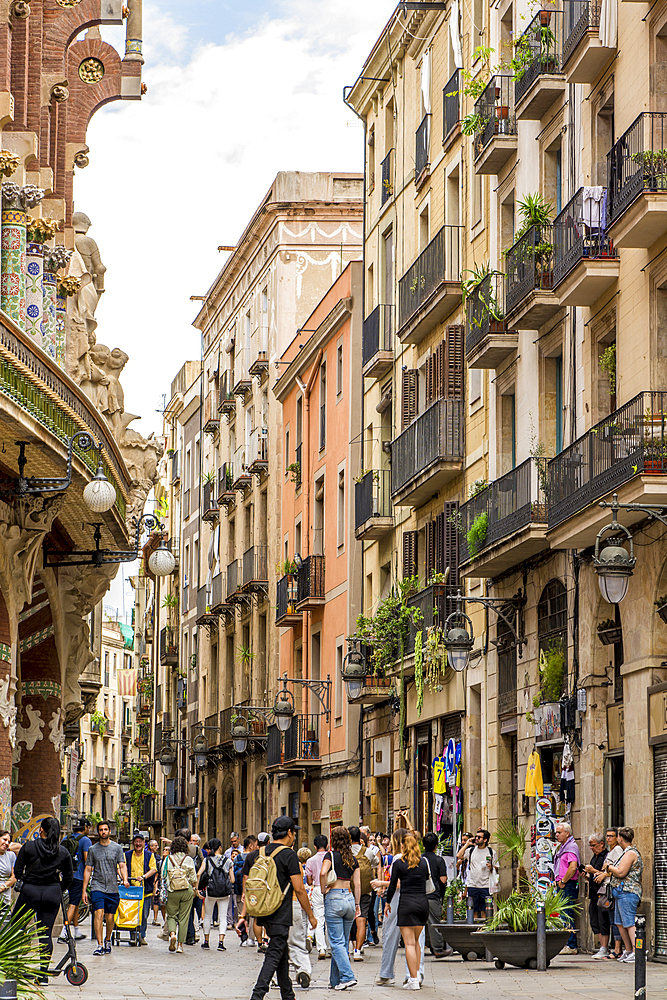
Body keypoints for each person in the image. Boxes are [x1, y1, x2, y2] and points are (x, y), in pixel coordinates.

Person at [237, 816, 315, 1000]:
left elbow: (247, 884)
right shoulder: (288, 855)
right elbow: (299, 888)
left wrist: (244, 913)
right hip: (280, 912)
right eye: (294, 832)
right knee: (274, 953)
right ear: (289, 833)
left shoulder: (255, 854)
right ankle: (257, 995)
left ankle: (288, 994)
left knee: (281, 952)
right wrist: (311, 915)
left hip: (262, 910)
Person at [13, 817, 73, 984]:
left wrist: (25, 878)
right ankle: (43, 975)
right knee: (45, 934)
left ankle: (13, 966)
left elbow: (18, 871)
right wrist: (58, 888)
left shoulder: (29, 847)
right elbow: (69, 877)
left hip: (29, 892)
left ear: (41, 830)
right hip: (51, 894)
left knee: (16, 928)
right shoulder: (62, 852)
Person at [386, 832, 429, 991]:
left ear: (402, 845)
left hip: (406, 903)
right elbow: (427, 880)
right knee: (416, 942)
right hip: (422, 904)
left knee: (409, 943)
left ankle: (413, 980)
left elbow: (392, 886)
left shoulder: (399, 863)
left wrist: (387, 902)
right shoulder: (424, 862)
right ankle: (416, 974)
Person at [320, 825, 360, 991]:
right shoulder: (353, 858)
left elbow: (323, 873)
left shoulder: (330, 855)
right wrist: (357, 904)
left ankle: (348, 976)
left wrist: (323, 889)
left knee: (336, 942)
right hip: (349, 898)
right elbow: (357, 883)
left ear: (333, 839)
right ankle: (335, 981)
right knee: (342, 943)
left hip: (334, 897)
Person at [82, 819, 129, 956]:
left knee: (110, 917)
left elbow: (122, 865)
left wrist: (125, 879)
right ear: (98, 832)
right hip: (97, 885)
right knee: (98, 912)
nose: (103, 832)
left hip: (112, 887)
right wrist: (85, 890)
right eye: (101, 830)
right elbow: (88, 869)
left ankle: (107, 939)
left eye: (105, 830)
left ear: (110, 831)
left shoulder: (117, 848)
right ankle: (99, 944)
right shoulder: (92, 849)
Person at [604, 826, 643, 964]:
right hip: (620, 892)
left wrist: (608, 867)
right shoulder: (625, 852)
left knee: (629, 923)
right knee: (620, 923)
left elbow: (621, 872)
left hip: (628, 892)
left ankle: (637, 951)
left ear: (620, 838)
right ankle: (628, 949)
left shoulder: (631, 853)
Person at [163, 834, 197, 953]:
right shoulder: (189, 859)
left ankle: (172, 934)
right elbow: (193, 878)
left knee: (171, 915)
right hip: (186, 890)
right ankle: (180, 945)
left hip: (172, 890)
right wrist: (194, 888)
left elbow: (163, 875)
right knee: (184, 918)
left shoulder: (168, 859)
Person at [59, 819, 91, 942]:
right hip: (78, 876)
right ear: (86, 827)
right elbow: (87, 859)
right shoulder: (85, 840)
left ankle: (76, 931)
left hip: (66, 875)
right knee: (72, 904)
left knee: (75, 903)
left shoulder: (66, 838)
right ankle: (63, 933)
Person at [421, 832, 452, 958]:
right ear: (436, 846)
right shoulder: (439, 860)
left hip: (419, 895)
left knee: (419, 923)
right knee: (434, 923)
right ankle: (438, 949)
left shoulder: (419, 859)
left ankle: (417, 947)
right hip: (433, 896)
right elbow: (443, 879)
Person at [199, 838, 234, 951]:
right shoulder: (228, 861)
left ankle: (206, 942)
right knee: (223, 916)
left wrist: (197, 888)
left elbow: (199, 873)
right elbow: (232, 879)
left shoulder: (207, 860)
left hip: (211, 891)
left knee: (208, 916)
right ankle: (220, 942)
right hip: (224, 892)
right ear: (220, 847)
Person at [124, 830, 157, 946]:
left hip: (145, 891)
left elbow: (153, 869)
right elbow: (121, 867)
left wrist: (144, 877)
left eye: (140, 842)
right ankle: (133, 936)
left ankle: (141, 936)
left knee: (144, 914)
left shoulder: (149, 855)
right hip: (131, 890)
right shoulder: (127, 855)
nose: (138, 844)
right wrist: (125, 879)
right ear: (133, 843)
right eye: (136, 842)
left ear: (144, 843)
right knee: (131, 914)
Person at [553, 821, 581, 955]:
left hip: (567, 884)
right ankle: (567, 944)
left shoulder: (571, 847)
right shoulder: (563, 847)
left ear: (567, 833)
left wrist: (563, 880)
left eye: (559, 832)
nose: (556, 835)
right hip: (562, 884)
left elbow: (573, 866)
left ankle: (571, 945)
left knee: (567, 914)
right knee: (563, 915)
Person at [456, 828, 497, 918]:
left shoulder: (491, 852)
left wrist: (491, 868)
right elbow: (459, 855)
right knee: (473, 910)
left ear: (485, 840)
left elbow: (496, 868)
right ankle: (473, 929)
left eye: (479, 837)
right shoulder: (471, 851)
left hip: (486, 886)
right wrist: (467, 844)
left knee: (485, 911)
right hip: (473, 885)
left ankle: (483, 930)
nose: (476, 838)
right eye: (476, 836)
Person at [348, 826, 375, 962]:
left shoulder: (344, 852)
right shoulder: (368, 852)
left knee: (346, 922)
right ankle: (357, 951)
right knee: (361, 921)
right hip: (365, 891)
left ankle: (346, 949)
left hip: (347, 891)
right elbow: (376, 863)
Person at [241, 832, 271, 953]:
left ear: (257, 843)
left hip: (254, 890)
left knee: (257, 918)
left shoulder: (251, 856)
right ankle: (266, 939)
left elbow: (245, 876)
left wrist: (244, 892)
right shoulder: (271, 855)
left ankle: (259, 943)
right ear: (268, 842)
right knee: (268, 915)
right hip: (268, 889)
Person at [582, 832, 610, 959]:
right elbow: (594, 876)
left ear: (601, 844)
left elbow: (606, 874)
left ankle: (605, 947)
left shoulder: (607, 857)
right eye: (590, 846)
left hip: (603, 894)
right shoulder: (594, 857)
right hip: (593, 893)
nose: (592, 848)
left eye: (593, 845)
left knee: (603, 921)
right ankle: (601, 946)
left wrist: (592, 871)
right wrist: (587, 876)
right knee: (594, 921)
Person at [290, 847, 313, 987]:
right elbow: (299, 888)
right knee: (298, 942)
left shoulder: (267, 857)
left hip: (274, 906)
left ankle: (277, 976)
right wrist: (310, 914)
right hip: (293, 903)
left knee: (279, 944)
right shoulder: (293, 861)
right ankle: (303, 969)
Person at [304, 834, 329, 959]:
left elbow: (309, 881)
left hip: (317, 889)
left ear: (315, 846)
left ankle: (321, 948)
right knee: (330, 919)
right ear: (327, 845)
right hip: (330, 889)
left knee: (319, 919)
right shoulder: (331, 858)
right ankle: (330, 947)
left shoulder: (310, 860)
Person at [601, 827, 624, 959]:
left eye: (612, 836)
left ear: (617, 838)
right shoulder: (611, 851)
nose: (609, 838)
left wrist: (603, 873)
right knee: (612, 919)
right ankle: (616, 948)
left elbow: (616, 869)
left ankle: (617, 949)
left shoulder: (617, 850)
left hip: (613, 887)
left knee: (615, 919)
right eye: (607, 836)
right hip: (608, 887)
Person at [149, 839, 164, 925]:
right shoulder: (147, 856)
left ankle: (156, 918)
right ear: (151, 847)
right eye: (156, 846)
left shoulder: (158, 858)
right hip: (149, 880)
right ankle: (154, 918)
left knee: (157, 899)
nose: (157, 847)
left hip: (156, 880)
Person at [0, 830, 16, 907]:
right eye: (4, 839)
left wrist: (2, 888)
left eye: (9, 842)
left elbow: (14, 877)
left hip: (5, 897)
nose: (6, 843)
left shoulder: (11, 855)